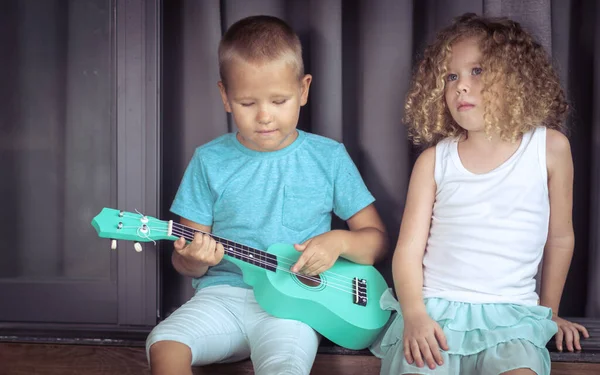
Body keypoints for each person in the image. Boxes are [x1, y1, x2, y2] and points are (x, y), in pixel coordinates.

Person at [146, 15, 388, 375]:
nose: (264, 116)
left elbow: (376, 241)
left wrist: (338, 241)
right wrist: (196, 259)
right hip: (222, 297)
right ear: (225, 97)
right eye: (247, 103)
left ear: (304, 90)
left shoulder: (328, 157)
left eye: (279, 100)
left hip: (293, 308)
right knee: (163, 346)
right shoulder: (209, 161)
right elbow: (185, 262)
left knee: (285, 367)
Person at [369, 13, 589, 375]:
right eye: (451, 76)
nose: (461, 86)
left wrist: (547, 315)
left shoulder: (550, 149)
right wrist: (415, 315)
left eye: (478, 71)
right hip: (435, 313)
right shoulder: (434, 161)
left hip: (513, 318)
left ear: (517, 78)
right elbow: (408, 250)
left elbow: (560, 238)